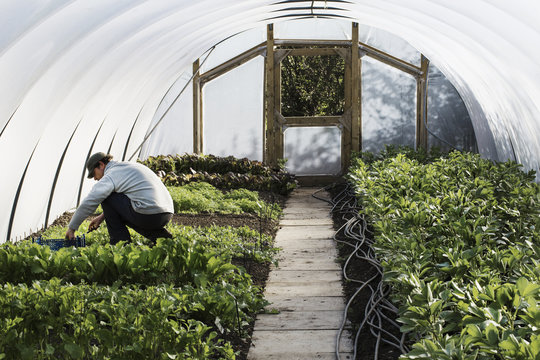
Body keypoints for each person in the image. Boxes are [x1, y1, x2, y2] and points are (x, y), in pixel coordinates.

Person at [65, 152, 174, 245]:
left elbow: (90, 202)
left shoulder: (111, 175)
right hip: (165, 214)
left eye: (94, 174)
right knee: (132, 206)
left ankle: (120, 245)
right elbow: (127, 202)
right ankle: (163, 239)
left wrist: (72, 228)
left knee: (106, 197)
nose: (95, 178)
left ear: (101, 165)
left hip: (147, 214)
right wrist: (102, 216)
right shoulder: (126, 167)